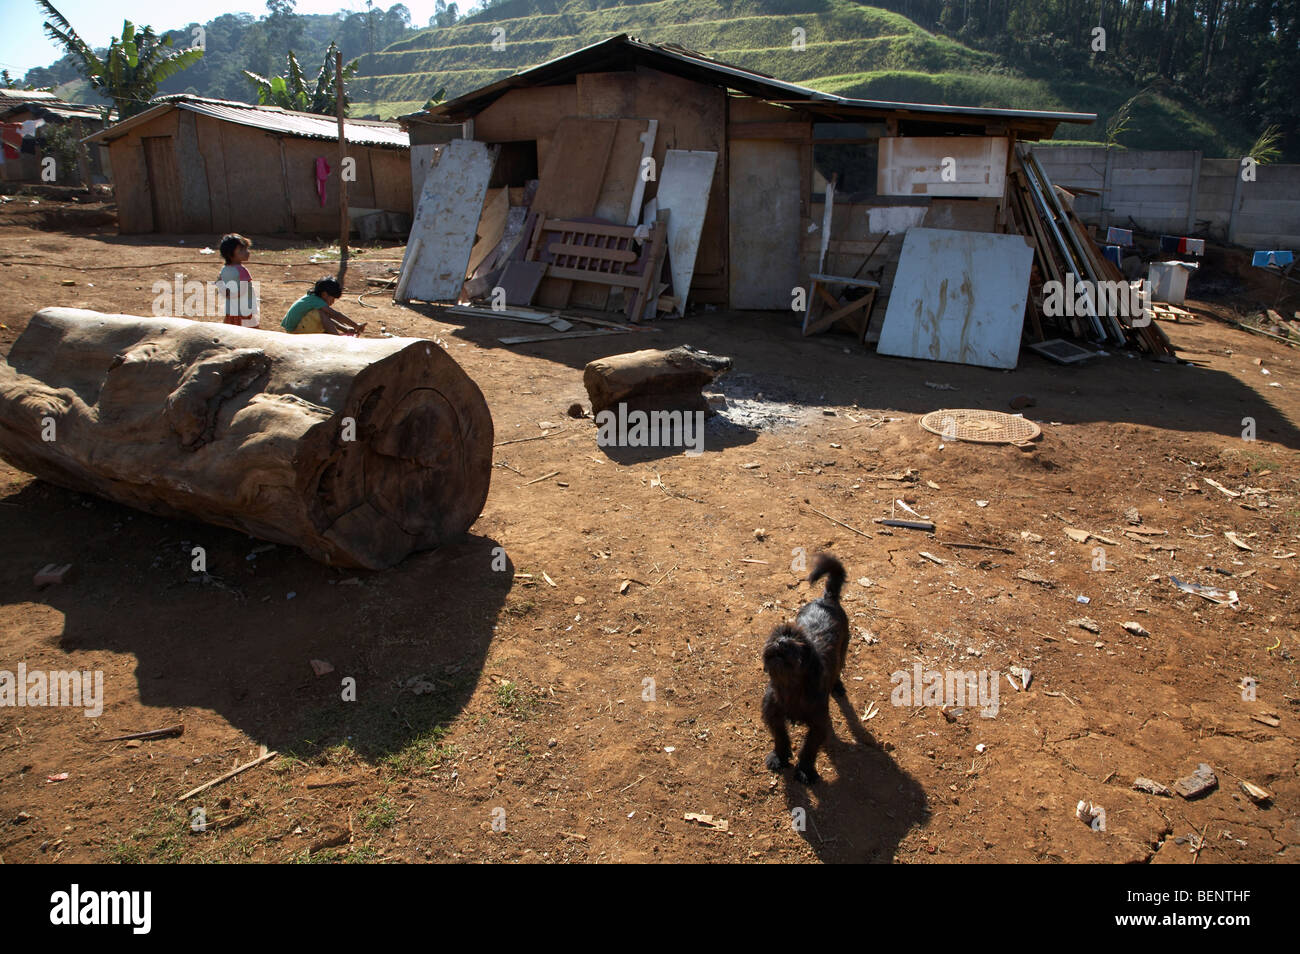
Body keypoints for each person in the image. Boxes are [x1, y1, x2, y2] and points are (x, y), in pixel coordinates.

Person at [281, 278, 366, 336]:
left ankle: (334, 335)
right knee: (321, 313)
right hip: (294, 331)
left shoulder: (313, 298)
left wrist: (345, 329)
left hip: (296, 327)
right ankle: (336, 338)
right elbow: (336, 315)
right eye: (332, 299)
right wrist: (355, 325)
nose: (333, 302)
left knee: (323, 314)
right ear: (324, 294)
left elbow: (327, 318)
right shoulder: (315, 300)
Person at [215, 233, 260, 327]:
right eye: (241, 250)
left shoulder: (224, 269)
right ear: (230, 254)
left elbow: (219, 283)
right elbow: (243, 290)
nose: (247, 252)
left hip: (231, 311)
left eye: (246, 249)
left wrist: (226, 294)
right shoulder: (242, 270)